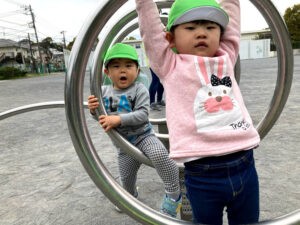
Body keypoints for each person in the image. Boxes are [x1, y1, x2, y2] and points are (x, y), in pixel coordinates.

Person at [135, 0, 261, 224]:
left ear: (220, 35)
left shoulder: (226, 57)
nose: (201, 33)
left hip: (244, 162)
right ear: (171, 38)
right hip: (202, 171)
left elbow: (231, 13)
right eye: (191, 28)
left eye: (210, 27)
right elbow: (151, 31)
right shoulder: (169, 65)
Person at [87, 43, 182, 218]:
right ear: (107, 72)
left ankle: (174, 195)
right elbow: (102, 119)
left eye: (129, 66)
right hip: (123, 145)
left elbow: (143, 115)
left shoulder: (139, 89)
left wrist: (118, 119)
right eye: (116, 66)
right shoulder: (103, 92)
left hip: (143, 136)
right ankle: (131, 196)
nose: (123, 71)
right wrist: (94, 110)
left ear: (137, 70)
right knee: (126, 177)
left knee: (161, 155)